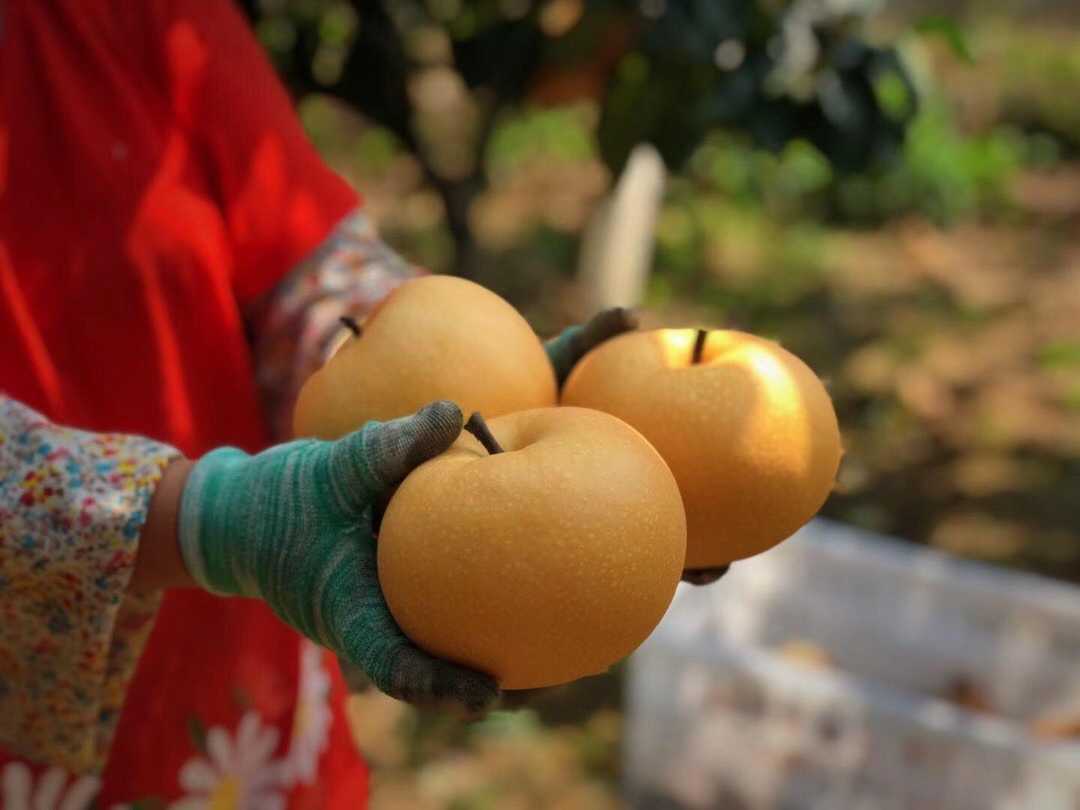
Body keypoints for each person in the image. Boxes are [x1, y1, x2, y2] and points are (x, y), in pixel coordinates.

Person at [0, 0, 635, 806]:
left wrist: (414, 362)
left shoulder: (128, 14)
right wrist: (215, 522)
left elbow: (302, 263)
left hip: (243, 728)